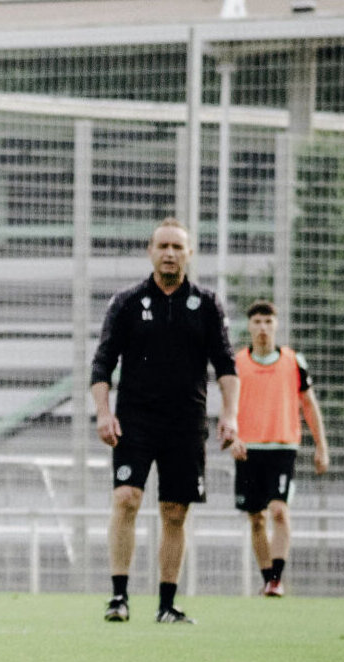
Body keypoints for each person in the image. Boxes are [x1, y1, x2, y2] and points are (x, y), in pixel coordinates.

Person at [89, 218, 240, 624]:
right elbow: (102, 363)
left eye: (177, 247)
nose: (170, 253)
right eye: (163, 246)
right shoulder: (126, 302)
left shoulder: (207, 304)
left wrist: (230, 416)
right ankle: (118, 597)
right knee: (126, 498)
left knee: (175, 511)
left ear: (189, 253)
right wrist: (103, 412)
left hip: (185, 424)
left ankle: (167, 605)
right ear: (150, 251)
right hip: (134, 421)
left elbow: (226, 364)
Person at [231, 301, 328, 598]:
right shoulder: (237, 363)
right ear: (250, 326)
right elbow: (227, 405)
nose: (263, 327)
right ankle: (267, 580)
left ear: (276, 325)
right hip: (248, 448)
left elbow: (309, 404)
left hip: (282, 447)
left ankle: (276, 579)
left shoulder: (293, 361)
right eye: (257, 322)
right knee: (256, 517)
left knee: (279, 511)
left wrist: (321, 446)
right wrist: (232, 437)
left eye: (268, 321)